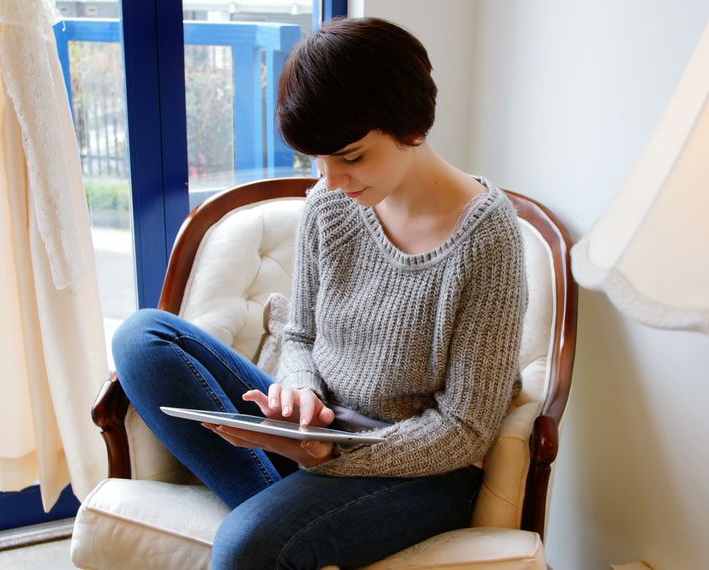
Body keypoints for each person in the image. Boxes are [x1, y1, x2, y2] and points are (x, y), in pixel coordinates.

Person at [111, 16, 527, 569]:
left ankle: (273, 520)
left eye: (351, 157)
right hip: (321, 427)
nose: (331, 181)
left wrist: (328, 458)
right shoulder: (330, 205)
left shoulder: (487, 239)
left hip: (423, 468)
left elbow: (464, 431)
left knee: (245, 547)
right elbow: (300, 334)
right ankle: (280, 509)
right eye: (317, 159)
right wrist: (299, 394)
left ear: (413, 124)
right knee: (144, 338)